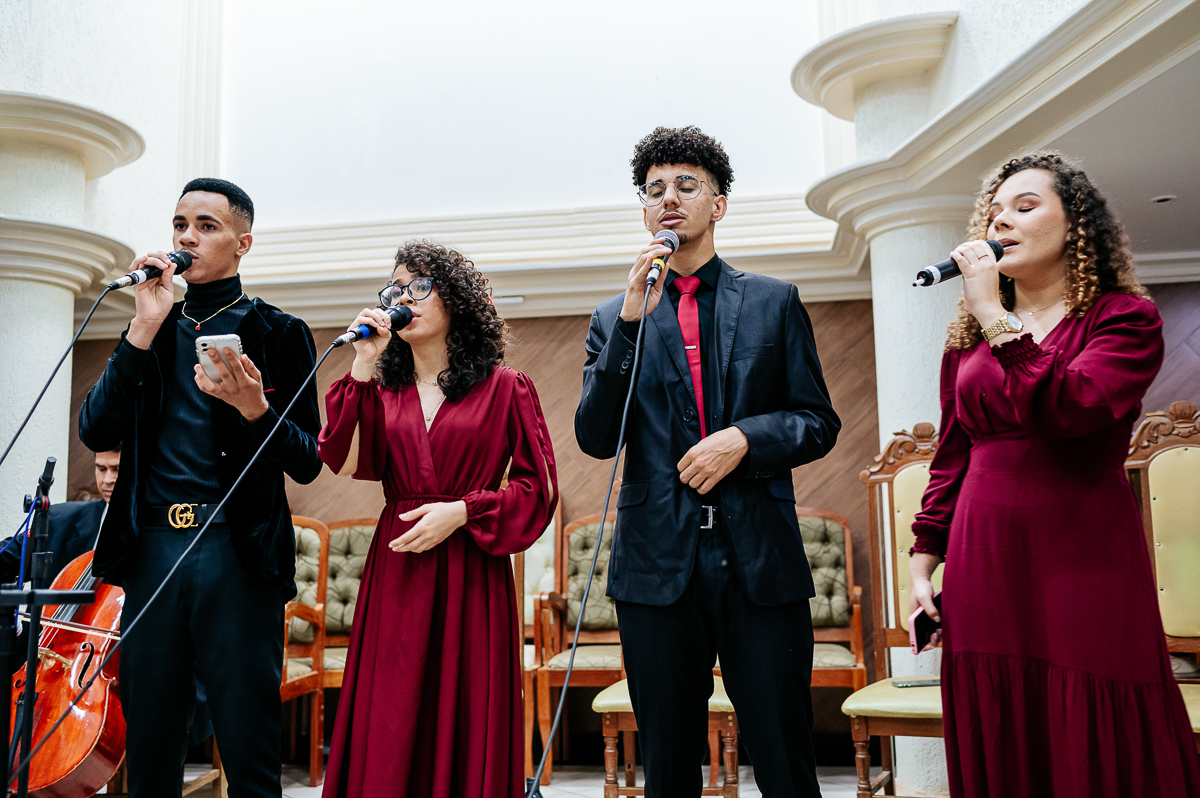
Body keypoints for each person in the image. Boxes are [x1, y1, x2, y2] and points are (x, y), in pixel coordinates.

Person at [908, 151, 1200, 797]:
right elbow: (953, 452)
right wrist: (924, 563)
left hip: (1083, 545)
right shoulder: (967, 342)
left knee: (1095, 702)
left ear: (1076, 225)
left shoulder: (1124, 319)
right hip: (984, 554)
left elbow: (1069, 408)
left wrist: (994, 314)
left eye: (1025, 206)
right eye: (994, 211)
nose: (1000, 221)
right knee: (1001, 716)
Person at [575, 126, 840, 797]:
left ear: (718, 204)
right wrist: (630, 321)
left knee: (785, 758)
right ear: (644, 212)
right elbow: (596, 437)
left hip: (760, 560)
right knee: (667, 767)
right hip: (654, 565)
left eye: (686, 185)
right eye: (654, 189)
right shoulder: (612, 318)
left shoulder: (774, 302)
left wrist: (745, 438)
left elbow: (818, 422)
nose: (668, 198)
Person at [78, 178, 322, 798]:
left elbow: (308, 460)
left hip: (236, 551)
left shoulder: (279, 332)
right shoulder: (151, 329)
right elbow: (96, 430)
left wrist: (254, 408)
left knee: (248, 743)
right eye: (180, 224)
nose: (187, 237)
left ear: (243, 243)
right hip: (153, 549)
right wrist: (142, 327)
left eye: (206, 226)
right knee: (150, 745)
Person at [317, 241, 557, 798]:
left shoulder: (506, 387)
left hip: (470, 570)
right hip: (397, 568)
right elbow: (344, 460)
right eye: (396, 289)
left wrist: (464, 511)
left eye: (420, 286)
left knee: (465, 709)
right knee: (390, 712)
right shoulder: (380, 390)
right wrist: (362, 363)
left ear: (455, 300)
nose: (404, 298)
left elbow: (537, 490)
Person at [0, 447, 121, 584]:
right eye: (101, 469)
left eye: (117, 469)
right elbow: (6, 561)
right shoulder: (58, 520)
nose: (107, 479)